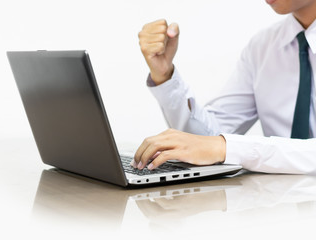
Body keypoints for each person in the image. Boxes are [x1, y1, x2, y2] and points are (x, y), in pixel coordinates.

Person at [131, 0, 316, 174]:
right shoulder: (263, 47)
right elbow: (208, 140)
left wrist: (227, 147)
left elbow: (221, 146)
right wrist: (164, 76)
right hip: (278, 202)